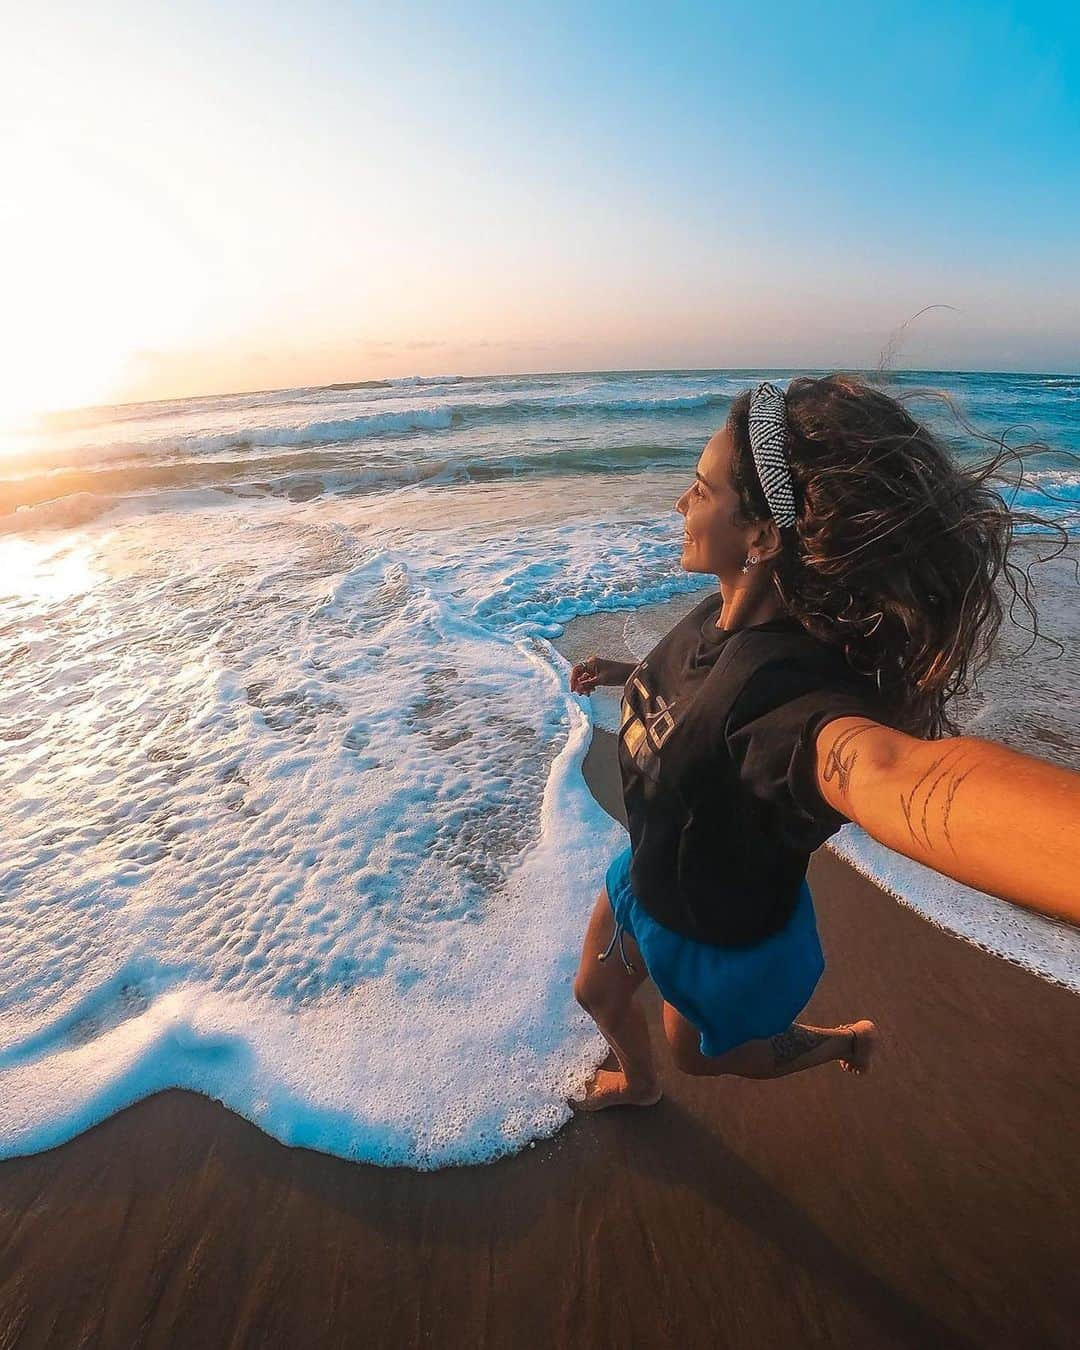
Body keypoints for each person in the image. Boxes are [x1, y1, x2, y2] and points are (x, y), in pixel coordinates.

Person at [568, 375, 1079, 1110]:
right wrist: (630, 672)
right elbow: (698, 683)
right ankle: (639, 1085)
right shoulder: (728, 608)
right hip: (646, 877)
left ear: (763, 537)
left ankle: (844, 1041)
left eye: (700, 489)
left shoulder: (790, 701)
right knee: (597, 994)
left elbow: (890, 771)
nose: (682, 503)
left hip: (726, 942)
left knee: (709, 1057)